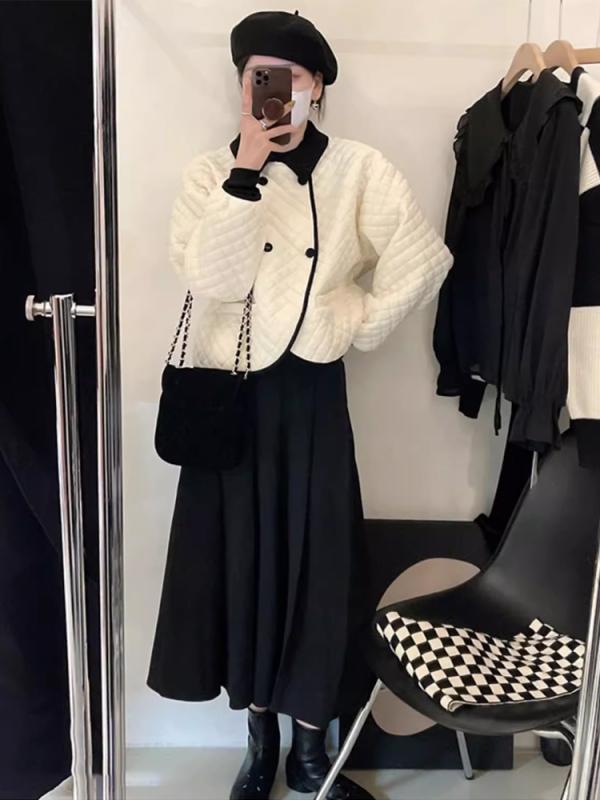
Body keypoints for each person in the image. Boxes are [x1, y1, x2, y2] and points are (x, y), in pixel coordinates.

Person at [147, 9, 453, 800]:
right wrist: (245, 172)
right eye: (256, 76)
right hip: (230, 397)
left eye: (287, 76)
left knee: (318, 567)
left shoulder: (358, 169)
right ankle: (259, 745)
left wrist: (354, 322)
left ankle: (312, 751)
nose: (271, 90)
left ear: (317, 86)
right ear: (241, 85)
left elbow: (422, 258)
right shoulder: (208, 174)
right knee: (242, 567)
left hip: (311, 390)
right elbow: (212, 282)